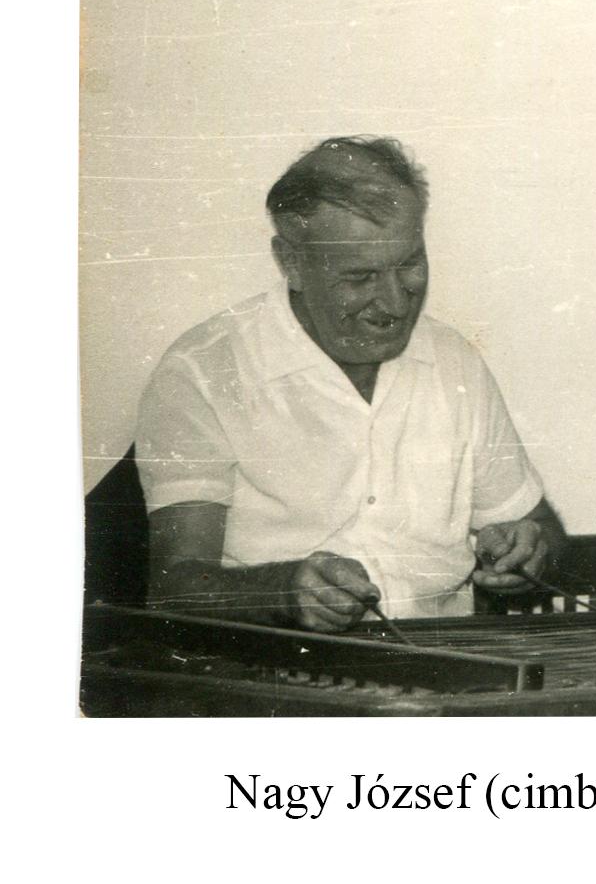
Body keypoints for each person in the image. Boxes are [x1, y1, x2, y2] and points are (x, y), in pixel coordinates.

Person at [138, 136, 564, 632]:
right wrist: (281, 592)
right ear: (291, 263)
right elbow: (173, 588)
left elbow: (541, 529)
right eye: (360, 277)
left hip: (447, 658)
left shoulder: (455, 362)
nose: (396, 303)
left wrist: (530, 550)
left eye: (409, 264)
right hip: (277, 664)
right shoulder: (203, 371)